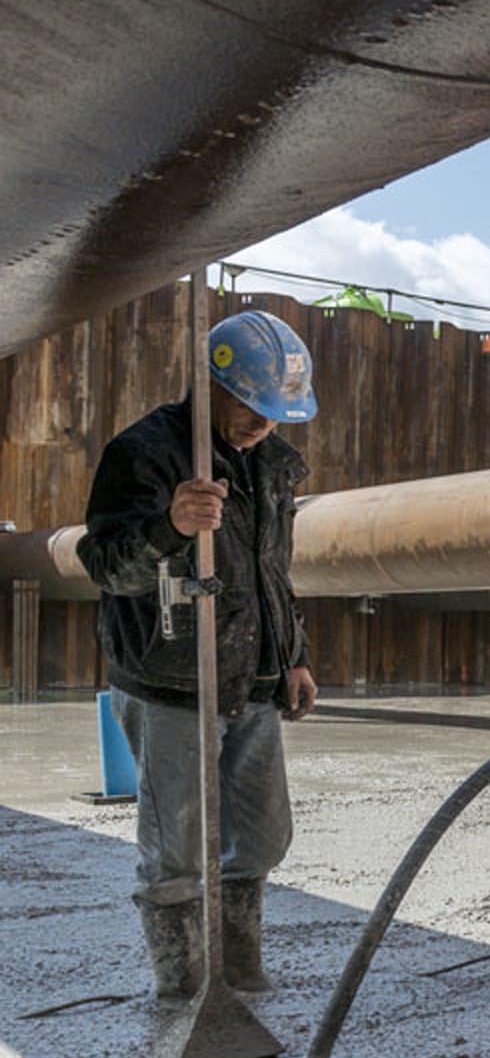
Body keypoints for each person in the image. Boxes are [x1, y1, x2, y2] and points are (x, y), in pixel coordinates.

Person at [78, 309, 319, 1001]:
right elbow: (105, 566)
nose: (262, 424)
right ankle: (185, 992)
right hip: (170, 683)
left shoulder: (270, 464)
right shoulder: (146, 454)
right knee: (177, 854)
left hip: (254, 679)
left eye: (276, 412)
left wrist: (293, 657)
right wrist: (170, 528)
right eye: (251, 406)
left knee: (263, 836)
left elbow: (272, 570)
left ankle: (239, 970)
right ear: (215, 386)